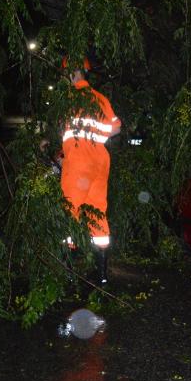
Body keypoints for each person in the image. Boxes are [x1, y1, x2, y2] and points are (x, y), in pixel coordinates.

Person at [58, 55, 120, 284]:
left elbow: (62, 130)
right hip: (100, 162)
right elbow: (115, 128)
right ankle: (102, 275)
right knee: (98, 213)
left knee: (70, 211)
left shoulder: (68, 98)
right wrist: (96, 137)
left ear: (71, 73)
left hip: (78, 162)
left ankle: (67, 271)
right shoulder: (99, 98)